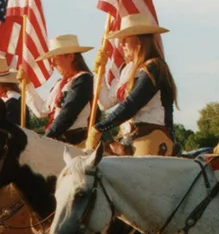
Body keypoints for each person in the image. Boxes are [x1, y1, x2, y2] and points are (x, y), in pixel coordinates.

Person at [93, 12, 178, 156]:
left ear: (139, 40)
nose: (121, 44)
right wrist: (98, 73)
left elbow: (132, 104)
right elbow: (105, 103)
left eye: (126, 39)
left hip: (152, 134)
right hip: (127, 137)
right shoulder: (127, 70)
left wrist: (100, 128)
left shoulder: (155, 67)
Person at [30, 34, 95, 144]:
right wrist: (27, 86)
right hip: (59, 140)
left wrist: (47, 139)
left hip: (76, 142)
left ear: (70, 56)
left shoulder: (83, 79)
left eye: (55, 58)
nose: (52, 63)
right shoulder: (60, 83)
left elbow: (69, 112)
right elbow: (42, 110)